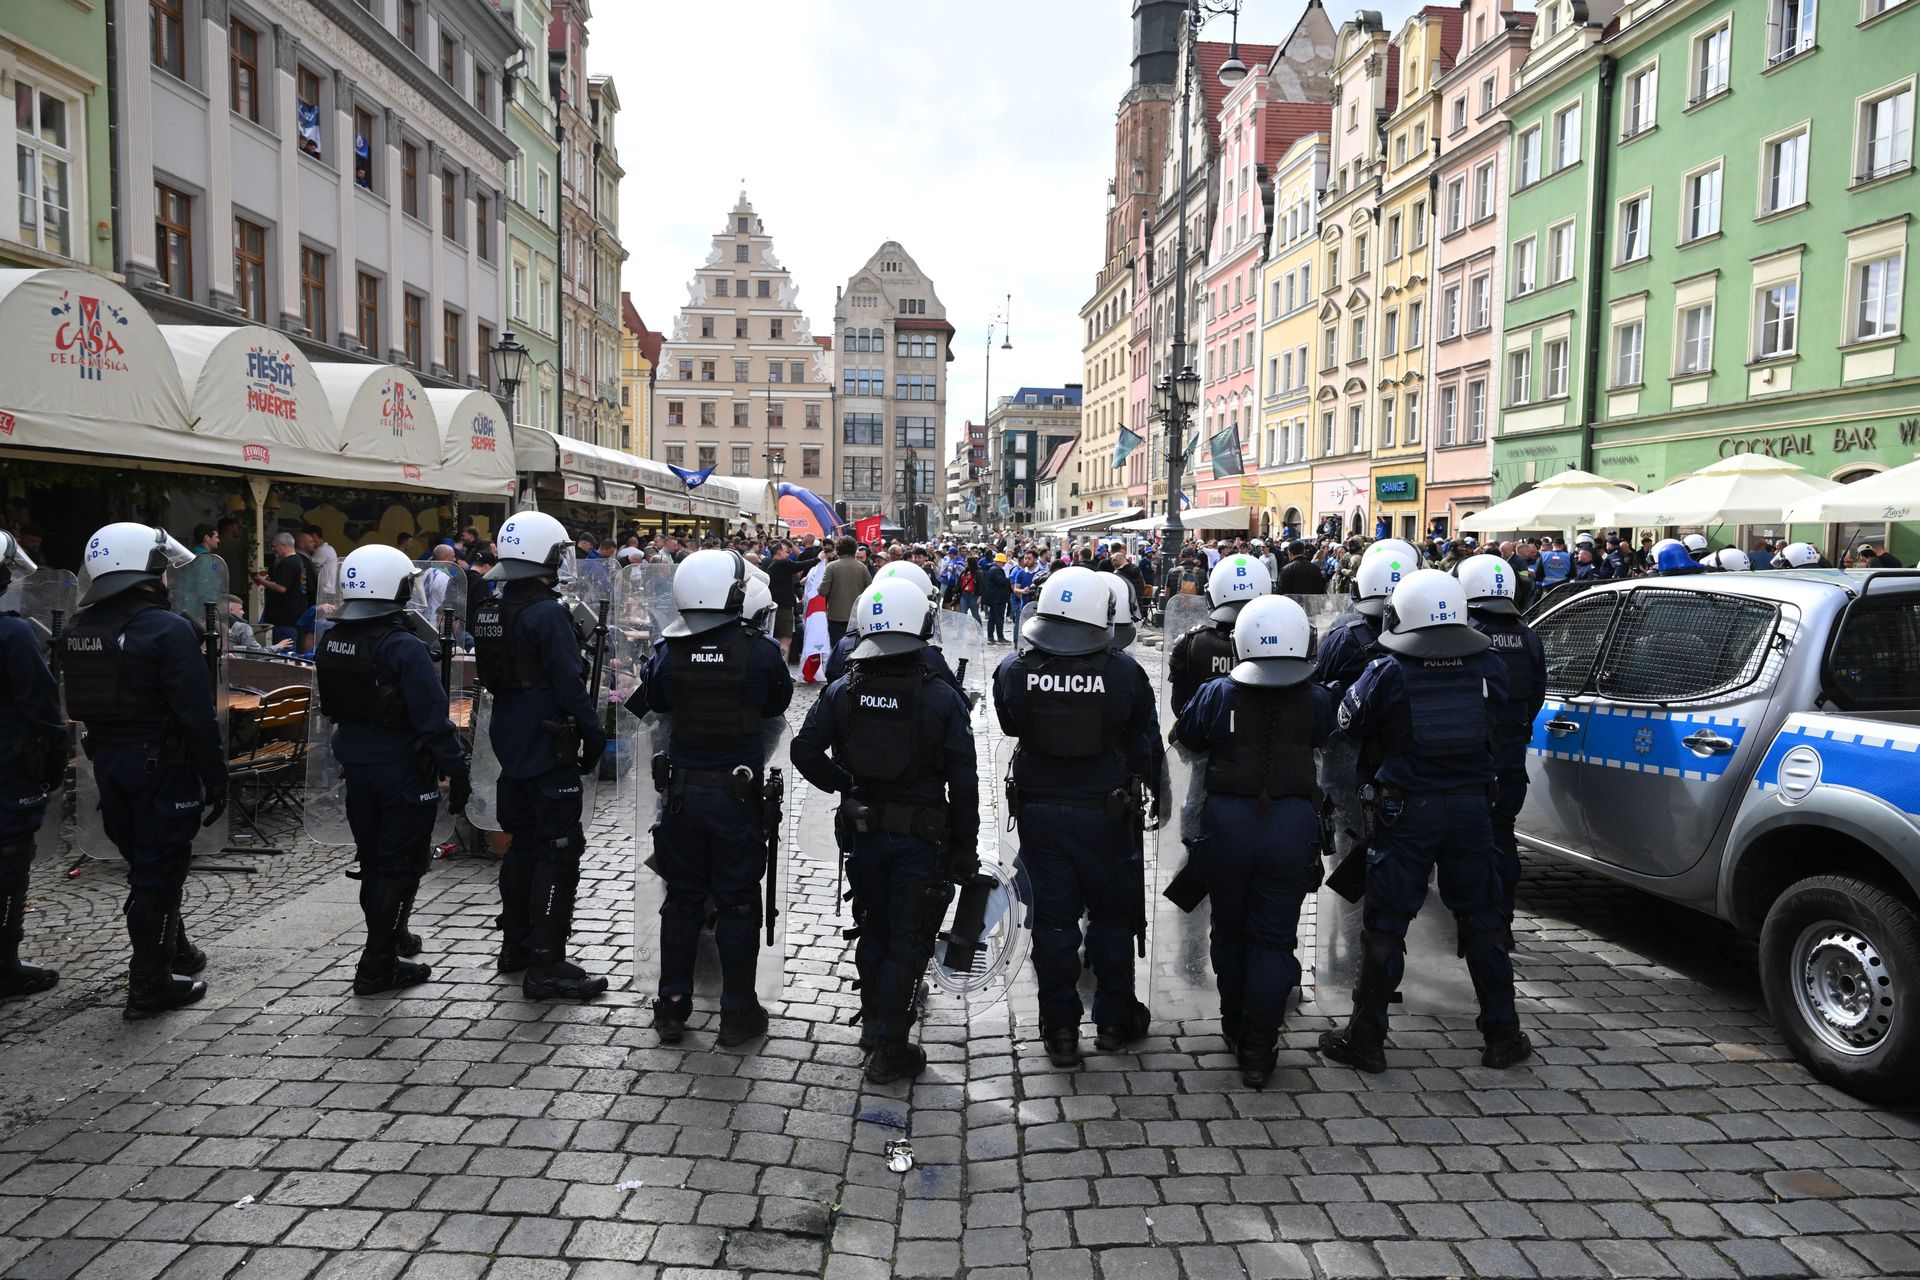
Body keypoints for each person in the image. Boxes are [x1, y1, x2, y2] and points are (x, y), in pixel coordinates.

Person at [1317, 569, 1528, 1075]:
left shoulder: (1388, 670)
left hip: (1407, 812)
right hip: (1473, 810)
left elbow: (1347, 721)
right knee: (1483, 919)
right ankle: (1502, 1034)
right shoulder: (1489, 665)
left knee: (1386, 925)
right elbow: (1503, 714)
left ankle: (1366, 1038)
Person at [792, 579, 978, 1084]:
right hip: (921, 839)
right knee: (908, 936)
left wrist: (846, 787)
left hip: (865, 833)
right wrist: (966, 849)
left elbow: (803, 752)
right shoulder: (940, 696)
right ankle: (891, 1047)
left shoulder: (842, 689)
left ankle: (874, 1027)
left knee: (872, 927)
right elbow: (964, 780)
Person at [994, 566, 1164, 1067]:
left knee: (1053, 922)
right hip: (1107, 814)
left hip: (1040, 811)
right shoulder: (1123, 671)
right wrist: (1153, 792)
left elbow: (1008, 721)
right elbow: (1144, 737)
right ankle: (1113, 1022)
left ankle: (1060, 1030)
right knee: (1113, 917)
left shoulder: (1015, 668)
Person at [63, 523, 226, 1019]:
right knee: (160, 872)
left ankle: (174, 950)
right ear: (145, 569)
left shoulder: (80, 628)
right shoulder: (166, 628)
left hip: (110, 763)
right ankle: (149, 983)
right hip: (162, 764)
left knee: (144, 865)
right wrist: (215, 775)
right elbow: (196, 715)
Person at [636, 548, 794, 1046]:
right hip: (735, 796)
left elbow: (655, 703)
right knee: (738, 904)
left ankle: (673, 1005)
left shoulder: (666, 650)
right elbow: (778, 703)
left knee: (681, 901)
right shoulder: (759, 651)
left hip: (681, 796)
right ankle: (735, 1011)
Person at [1173, 595, 1333, 1088]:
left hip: (1227, 826)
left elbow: (1187, 741)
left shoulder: (1219, 692)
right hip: (1290, 826)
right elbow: (1328, 741)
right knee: (1274, 940)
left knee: (1229, 930)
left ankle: (1234, 1026)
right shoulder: (1319, 697)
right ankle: (1260, 1050)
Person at [316, 545, 469, 995]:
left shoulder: (333, 639)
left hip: (357, 765)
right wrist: (455, 770)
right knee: (399, 867)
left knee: (375, 862)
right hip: (402, 768)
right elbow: (431, 717)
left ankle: (392, 939)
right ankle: (377, 964)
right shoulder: (402, 645)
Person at [472, 511, 610, 1002]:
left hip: (510, 729)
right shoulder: (547, 612)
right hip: (546, 732)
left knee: (523, 843)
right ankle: (546, 964)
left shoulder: (491, 607)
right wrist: (592, 736)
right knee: (558, 847)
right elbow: (569, 684)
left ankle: (516, 945)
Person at [1456, 556, 1545, 923]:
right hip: (1510, 760)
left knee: (1466, 846)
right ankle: (1501, 920)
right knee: (1503, 837)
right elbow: (1536, 695)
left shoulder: (1466, 634)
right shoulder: (1529, 636)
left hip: (1470, 761)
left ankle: (1470, 923)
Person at [0, 531, 67, 997]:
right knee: (8, 867)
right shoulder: (13, 632)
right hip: (7, 770)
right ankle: (4, 965)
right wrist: (53, 763)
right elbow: (43, 708)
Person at [1167, 552, 1273, 716]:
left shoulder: (1191, 643)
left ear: (1211, 596)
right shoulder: (1281, 644)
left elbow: (1179, 706)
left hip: (1203, 736)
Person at [254, 532, 313, 647]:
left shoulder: (288, 563)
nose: (273, 549)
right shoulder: (300, 561)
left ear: (283, 545)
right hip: (295, 616)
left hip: (285, 618)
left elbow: (281, 588)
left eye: (274, 546)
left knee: (285, 654)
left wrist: (263, 581)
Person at [820, 536, 870, 649]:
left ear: (838, 550)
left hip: (836, 615)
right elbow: (870, 590)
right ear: (854, 550)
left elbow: (823, 591)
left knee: (837, 648)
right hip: (857, 615)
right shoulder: (862, 567)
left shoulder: (831, 567)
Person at [299, 524, 340, 600]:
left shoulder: (323, 550)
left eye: (310, 539)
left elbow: (309, 565)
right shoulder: (324, 549)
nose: (312, 543)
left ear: (314, 536)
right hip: (327, 589)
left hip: (325, 590)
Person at [981, 552, 1012, 643]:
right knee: (998, 618)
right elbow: (1001, 582)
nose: (1004, 564)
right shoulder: (996, 570)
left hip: (993, 598)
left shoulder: (992, 569)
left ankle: (991, 637)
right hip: (997, 599)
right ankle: (1000, 637)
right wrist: (1010, 580)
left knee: (992, 618)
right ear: (999, 562)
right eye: (1003, 562)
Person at [1008, 551, 1036, 645]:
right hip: (1024, 605)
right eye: (1025, 558)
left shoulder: (1041, 572)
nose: (1027, 561)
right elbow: (1016, 589)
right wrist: (1023, 591)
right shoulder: (1020, 573)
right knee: (1021, 626)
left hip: (1037, 606)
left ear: (1035, 559)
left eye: (1029, 558)